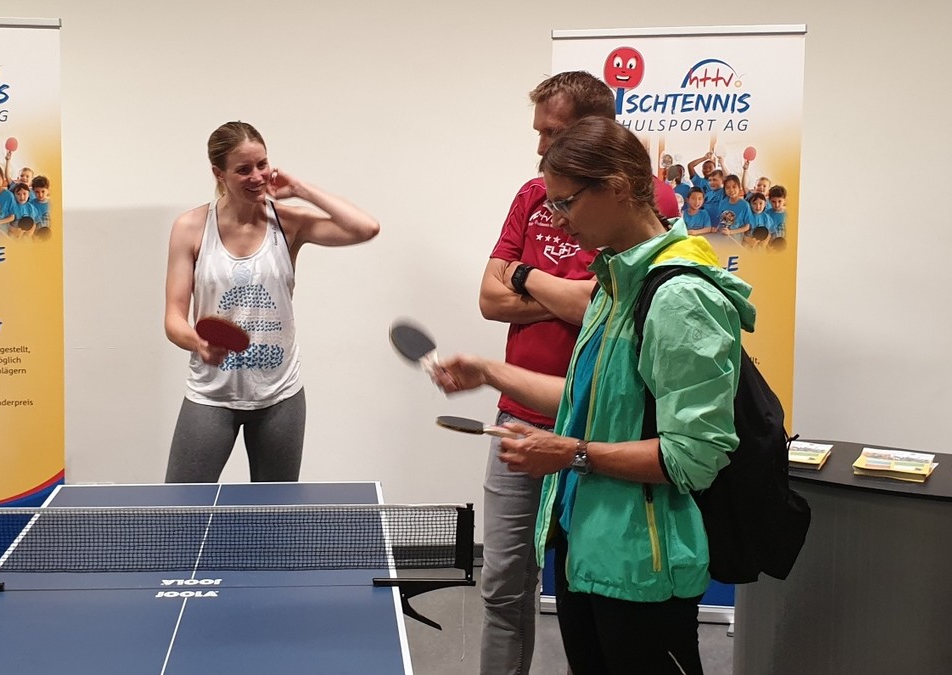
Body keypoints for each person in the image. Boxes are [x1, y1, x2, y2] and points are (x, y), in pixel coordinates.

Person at [438, 116, 752, 674]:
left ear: (618, 187)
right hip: (587, 553)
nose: (558, 220)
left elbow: (693, 456)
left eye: (567, 203)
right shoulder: (613, 284)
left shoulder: (679, 297)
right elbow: (591, 399)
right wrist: (489, 372)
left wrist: (572, 453)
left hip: (644, 570)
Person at [476, 70, 679, 675]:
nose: (541, 148)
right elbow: (489, 298)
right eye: (539, 133)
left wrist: (524, 276)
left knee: (585, 589)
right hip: (520, 414)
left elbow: (604, 301)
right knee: (502, 583)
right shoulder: (531, 194)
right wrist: (564, 292)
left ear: (595, 131)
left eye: (554, 133)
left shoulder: (649, 202)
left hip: (601, 423)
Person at [163, 121, 379, 483]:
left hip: (280, 396)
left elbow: (365, 228)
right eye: (243, 169)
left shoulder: (288, 223)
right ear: (219, 173)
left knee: (274, 510)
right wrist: (198, 343)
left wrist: (300, 190)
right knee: (181, 506)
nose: (257, 176)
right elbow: (173, 318)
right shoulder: (191, 227)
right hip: (212, 393)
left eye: (262, 164)